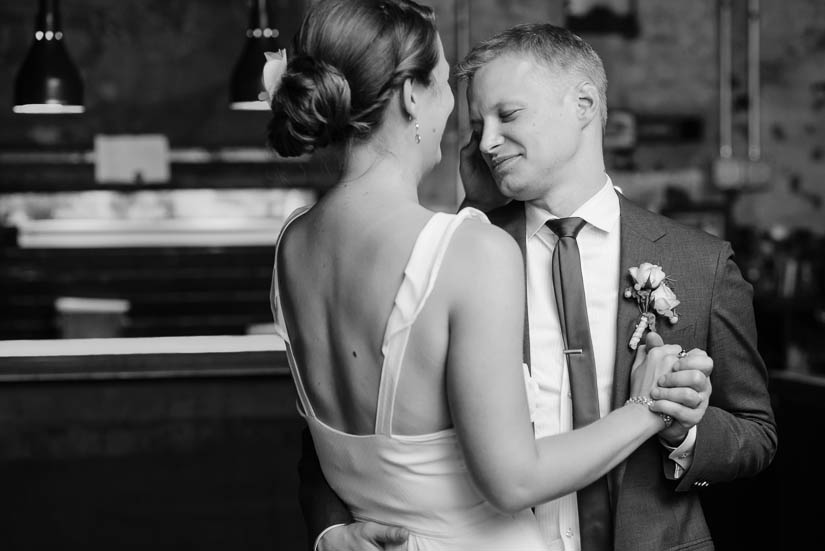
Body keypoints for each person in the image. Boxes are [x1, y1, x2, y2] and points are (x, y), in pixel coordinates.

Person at [298, 20, 778, 551]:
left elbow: (756, 437)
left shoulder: (701, 263)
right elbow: (350, 419)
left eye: (508, 115)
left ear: (584, 104)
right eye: (478, 124)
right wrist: (329, 528)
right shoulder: (454, 254)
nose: (486, 141)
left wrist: (682, 435)